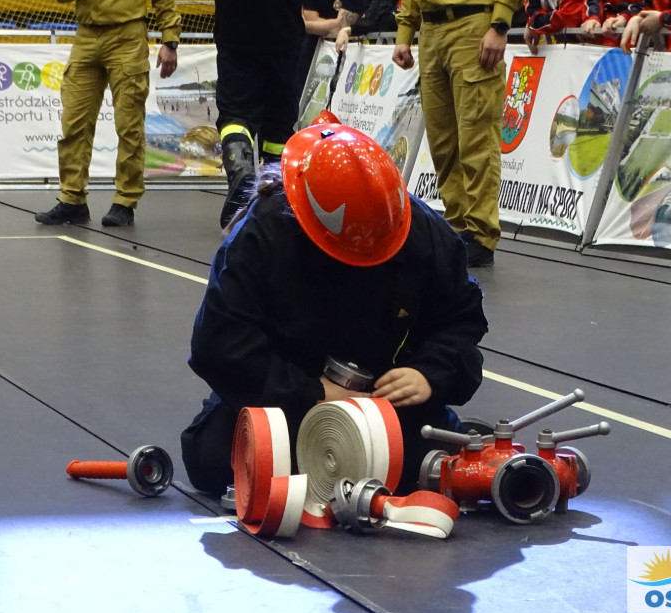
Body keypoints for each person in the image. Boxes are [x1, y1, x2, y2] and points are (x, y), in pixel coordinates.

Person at [180, 123, 488, 496]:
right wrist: (311, 392)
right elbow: (218, 345)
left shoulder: (423, 231)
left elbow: (461, 320)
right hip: (286, 395)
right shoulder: (262, 234)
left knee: (444, 470)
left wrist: (429, 373)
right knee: (212, 464)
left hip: (383, 403)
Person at [392, 0, 529, 268]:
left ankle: (481, 233)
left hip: (474, 26)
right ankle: (457, 225)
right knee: (442, 142)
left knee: (476, 137)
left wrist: (499, 24)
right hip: (431, 31)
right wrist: (404, 32)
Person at [35, 0, 180, 227]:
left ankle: (125, 200)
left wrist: (170, 40)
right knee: (73, 123)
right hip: (85, 37)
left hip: (127, 36)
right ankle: (72, 199)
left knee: (129, 126)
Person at [190, 0, 323, 228]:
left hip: (236, 35)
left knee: (235, 115)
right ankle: (276, 197)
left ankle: (240, 173)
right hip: (283, 38)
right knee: (278, 126)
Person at [297, 0, 377, 99]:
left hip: (341, 55)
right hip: (305, 52)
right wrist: (329, 23)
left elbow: (339, 27)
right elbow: (306, 20)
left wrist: (310, 24)